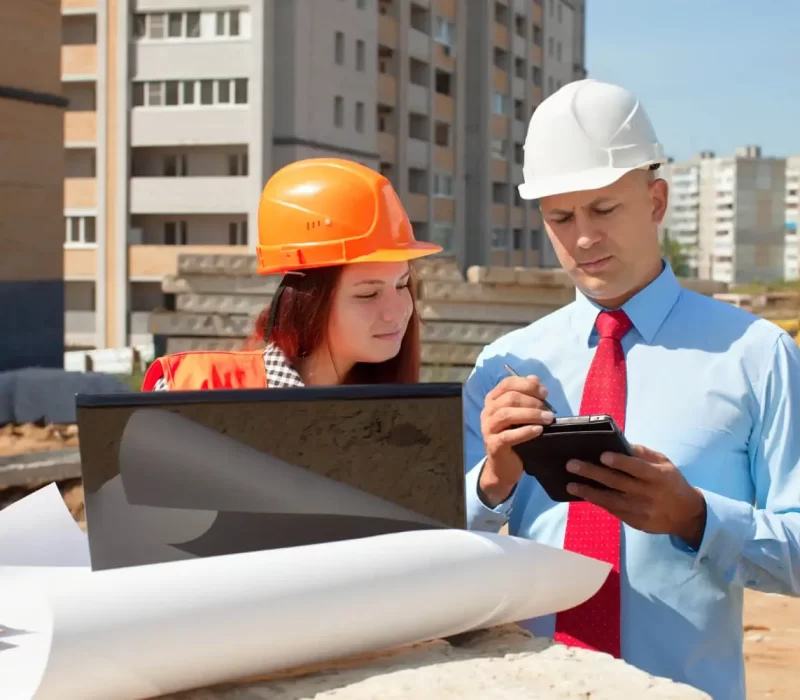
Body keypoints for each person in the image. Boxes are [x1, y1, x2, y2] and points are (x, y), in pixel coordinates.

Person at [462, 79, 800, 700]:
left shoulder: (758, 357)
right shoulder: (502, 368)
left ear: (657, 200)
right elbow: (440, 559)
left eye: (604, 209)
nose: (584, 237)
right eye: (560, 217)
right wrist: (492, 482)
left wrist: (696, 518)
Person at [142, 157, 442, 391]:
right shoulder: (192, 392)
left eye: (403, 285)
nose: (397, 311)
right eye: (368, 293)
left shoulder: (402, 422)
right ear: (307, 302)